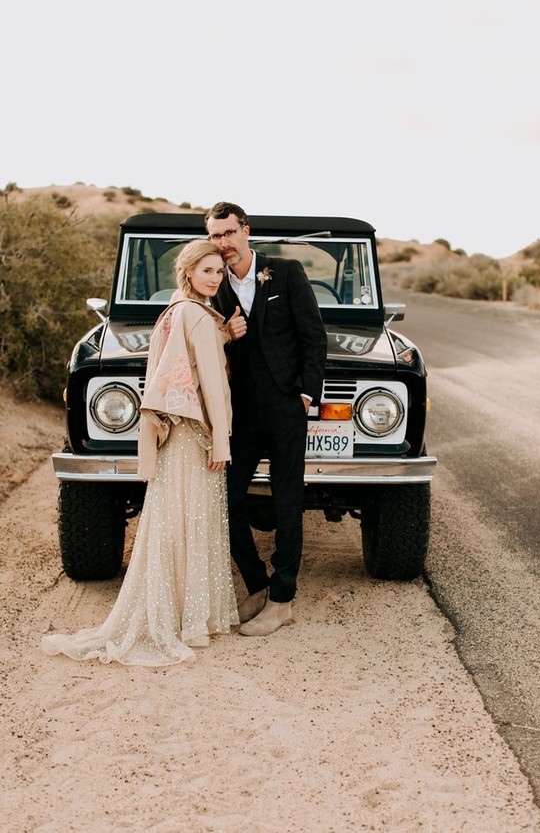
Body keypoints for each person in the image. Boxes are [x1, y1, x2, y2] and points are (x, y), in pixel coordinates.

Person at [42, 241, 238, 666]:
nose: (215, 279)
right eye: (207, 271)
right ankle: (190, 618)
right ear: (188, 272)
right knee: (195, 519)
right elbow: (214, 386)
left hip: (173, 433)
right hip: (198, 432)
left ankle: (171, 611)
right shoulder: (198, 317)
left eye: (219, 273)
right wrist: (222, 440)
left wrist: (224, 331)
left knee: (171, 518)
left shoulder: (172, 313)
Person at [205, 201, 327, 636]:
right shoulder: (212, 285)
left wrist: (307, 394)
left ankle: (282, 600)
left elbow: (314, 336)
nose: (223, 244)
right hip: (239, 412)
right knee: (227, 498)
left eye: (229, 234)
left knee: (287, 499)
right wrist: (225, 334)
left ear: (246, 232)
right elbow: (202, 346)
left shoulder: (286, 272)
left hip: (286, 406)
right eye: (216, 236)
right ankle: (258, 584)